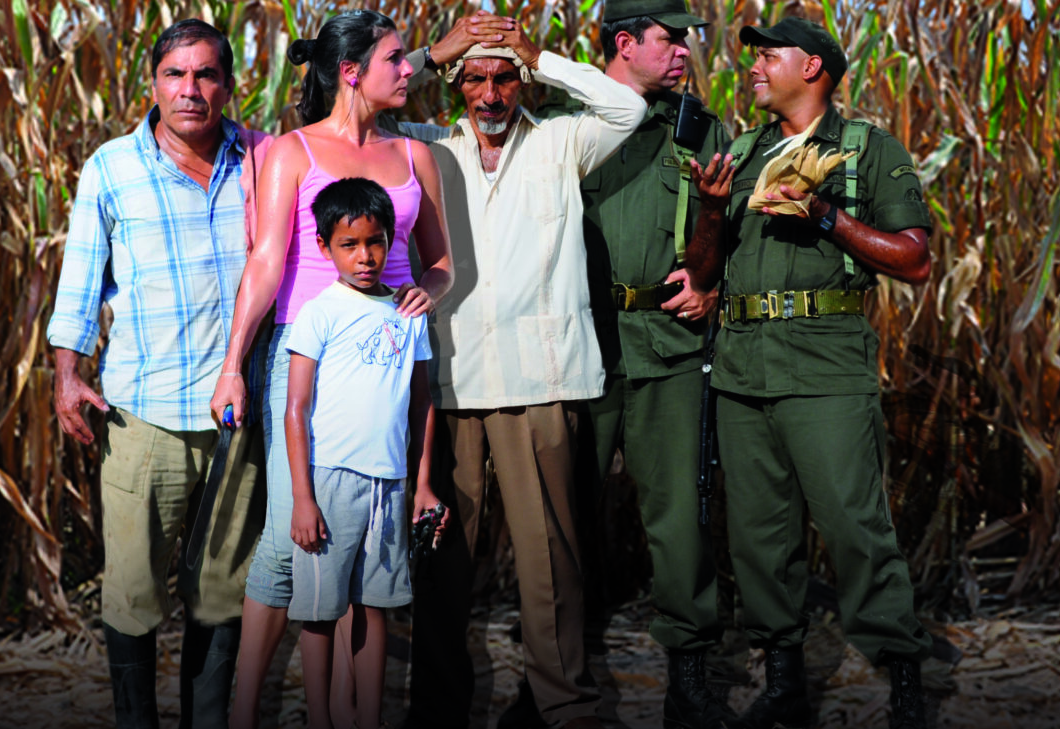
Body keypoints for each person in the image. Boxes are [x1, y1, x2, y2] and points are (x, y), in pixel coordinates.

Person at [390, 14, 646, 729]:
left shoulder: (562, 141)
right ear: (456, 85)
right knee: (443, 556)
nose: (491, 93)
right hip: (452, 380)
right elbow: (350, 106)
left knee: (549, 560)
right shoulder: (425, 148)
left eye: (505, 77)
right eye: (475, 78)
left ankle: (565, 707)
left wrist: (542, 55)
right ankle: (437, 710)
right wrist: (432, 52)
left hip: (541, 380)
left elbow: (626, 108)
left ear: (524, 81)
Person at [683, 16, 933, 729]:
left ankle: (905, 684)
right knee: (758, 539)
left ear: (814, 67)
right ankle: (784, 684)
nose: (755, 67)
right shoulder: (740, 153)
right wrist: (711, 210)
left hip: (826, 367)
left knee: (856, 528)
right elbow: (702, 273)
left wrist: (825, 215)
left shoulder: (867, 151)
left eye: (770, 56)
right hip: (742, 370)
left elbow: (915, 260)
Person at [208, 10, 455, 728]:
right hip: (308, 358)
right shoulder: (292, 152)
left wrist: (427, 289)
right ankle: (245, 711)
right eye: (395, 59)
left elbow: (442, 262)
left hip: (387, 360)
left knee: (363, 536)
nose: (408, 70)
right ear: (351, 72)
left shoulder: (416, 156)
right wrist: (233, 363)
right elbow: (265, 262)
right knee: (292, 537)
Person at [47, 19, 265, 729]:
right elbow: (80, 281)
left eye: (206, 75)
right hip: (144, 416)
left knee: (221, 594)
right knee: (134, 594)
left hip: (237, 420)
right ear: (153, 84)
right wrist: (67, 374)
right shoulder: (112, 168)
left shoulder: (264, 159)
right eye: (175, 74)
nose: (190, 90)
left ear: (229, 85)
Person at [535, 1, 732, 726]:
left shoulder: (700, 129)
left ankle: (690, 678)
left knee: (680, 516)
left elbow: (729, 227)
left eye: (686, 40)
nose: (684, 51)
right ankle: (553, 678)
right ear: (625, 42)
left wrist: (712, 283)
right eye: (670, 39)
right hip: (577, 345)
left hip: (669, 346)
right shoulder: (560, 124)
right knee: (563, 516)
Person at [282, 177, 444, 729]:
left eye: (375, 242)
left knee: (376, 607)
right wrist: (303, 498)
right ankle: (321, 719)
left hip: (390, 483)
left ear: (392, 240)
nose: (365, 256)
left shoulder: (408, 313)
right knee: (320, 612)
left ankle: (369, 719)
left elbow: (422, 404)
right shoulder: (319, 313)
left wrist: (422, 484)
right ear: (324, 247)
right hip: (330, 482)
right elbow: (296, 409)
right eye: (349, 245)